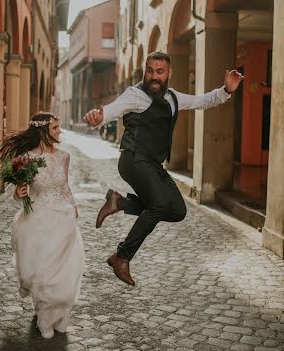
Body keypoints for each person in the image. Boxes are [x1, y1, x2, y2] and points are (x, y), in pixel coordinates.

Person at [83, 51, 244, 287]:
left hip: (154, 164)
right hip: (133, 159)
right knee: (158, 204)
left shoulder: (174, 98)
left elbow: (202, 101)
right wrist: (98, 117)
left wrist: (227, 90)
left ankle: (120, 202)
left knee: (177, 210)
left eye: (159, 72)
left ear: (169, 73)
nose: (154, 77)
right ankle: (122, 256)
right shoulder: (135, 95)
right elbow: (112, 109)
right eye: (150, 71)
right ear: (145, 70)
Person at [0, 112, 85, 339]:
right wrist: (18, 193)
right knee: (42, 272)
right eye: (55, 128)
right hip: (37, 220)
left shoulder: (65, 156)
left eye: (59, 127)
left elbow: (65, 187)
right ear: (43, 131)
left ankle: (62, 313)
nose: (59, 132)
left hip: (63, 220)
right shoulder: (26, 159)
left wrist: (74, 206)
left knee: (64, 270)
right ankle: (45, 316)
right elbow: (21, 194)